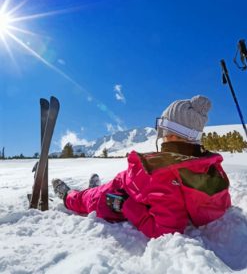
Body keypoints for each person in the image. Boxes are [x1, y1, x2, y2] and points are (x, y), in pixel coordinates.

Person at [52, 95, 231, 238]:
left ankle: (68, 196)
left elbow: (166, 231)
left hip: (114, 196)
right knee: (96, 192)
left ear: (173, 133)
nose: (162, 133)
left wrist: (126, 205)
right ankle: (91, 189)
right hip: (130, 189)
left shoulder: (165, 173)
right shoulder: (207, 166)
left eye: (165, 127)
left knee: (88, 198)